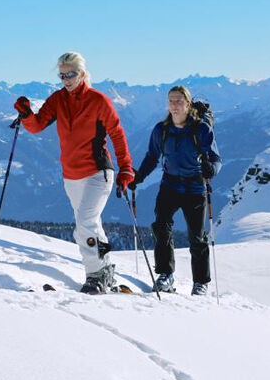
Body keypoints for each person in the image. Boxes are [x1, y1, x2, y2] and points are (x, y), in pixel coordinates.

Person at [13, 52, 135, 294]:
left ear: (82, 73)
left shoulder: (98, 100)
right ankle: (106, 269)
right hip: (71, 175)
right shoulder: (58, 99)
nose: (66, 79)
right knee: (90, 224)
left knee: (85, 222)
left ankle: (95, 275)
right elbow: (37, 126)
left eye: (71, 74)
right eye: (62, 75)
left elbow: (117, 135)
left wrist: (126, 168)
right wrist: (26, 114)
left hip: (98, 173)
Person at [131, 85, 221, 296]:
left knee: (197, 237)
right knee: (161, 226)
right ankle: (165, 275)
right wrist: (139, 177)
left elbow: (216, 159)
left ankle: (200, 282)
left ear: (188, 104)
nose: (174, 104)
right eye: (171, 100)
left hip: (195, 186)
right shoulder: (161, 130)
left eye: (179, 100)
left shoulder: (201, 130)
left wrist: (212, 170)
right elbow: (152, 157)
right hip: (169, 185)